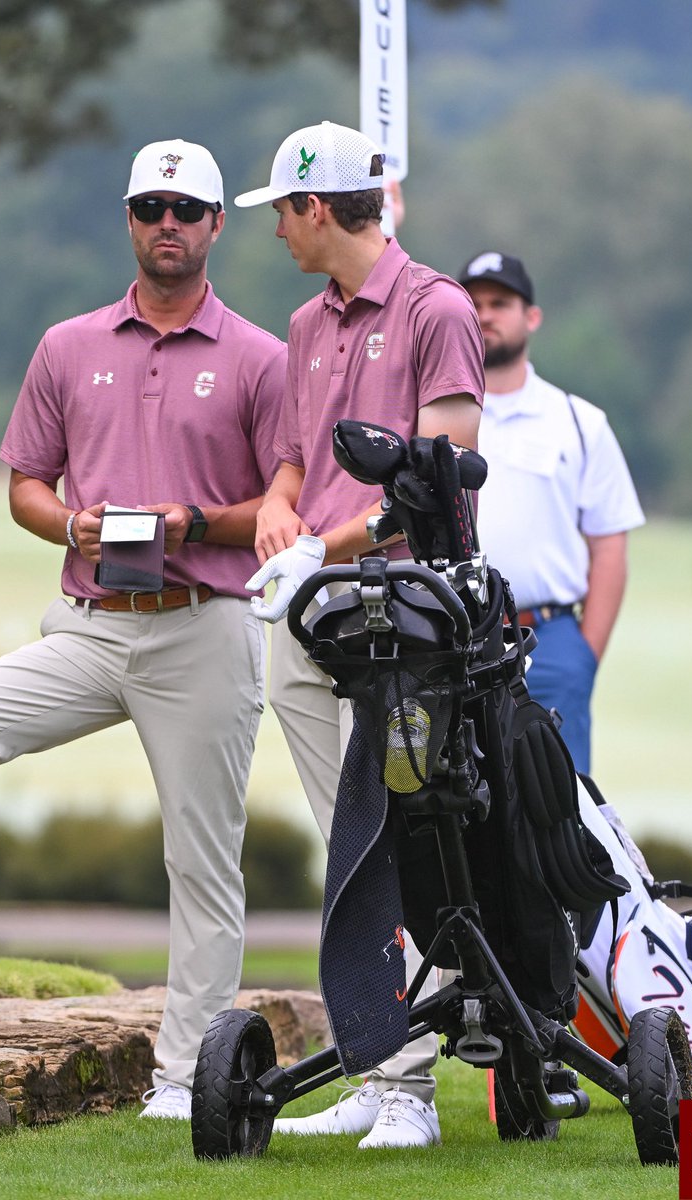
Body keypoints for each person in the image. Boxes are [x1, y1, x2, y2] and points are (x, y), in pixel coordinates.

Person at [0, 139, 287, 1121]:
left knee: (201, 857)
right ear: (128, 220)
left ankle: (187, 1081)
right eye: (148, 206)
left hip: (205, 626)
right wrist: (72, 523)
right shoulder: (68, 346)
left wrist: (195, 523)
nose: (166, 222)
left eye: (185, 208)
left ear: (219, 224)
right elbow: (24, 486)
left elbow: (280, 501)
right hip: (90, 621)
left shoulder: (262, 358)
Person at [233, 120, 485, 1149]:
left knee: (395, 840)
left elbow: (438, 469)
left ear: (316, 208)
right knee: (345, 847)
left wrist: (327, 547)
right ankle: (376, 1073)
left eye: (282, 213)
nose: (278, 233)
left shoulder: (439, 308)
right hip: (309, 609)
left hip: (404, 616)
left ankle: (412, 1094)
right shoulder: (305, 325)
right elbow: (292, 460)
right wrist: (276, 514)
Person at [458, 251, 644, 774]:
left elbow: (609, 544)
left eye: (501, 302)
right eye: (473, 303)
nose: (486, 314)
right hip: (457, 638)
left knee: (565, 814)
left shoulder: (579, 422)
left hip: (552, 640)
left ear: (531, 316)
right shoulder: (436, 418)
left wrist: (584, 657)